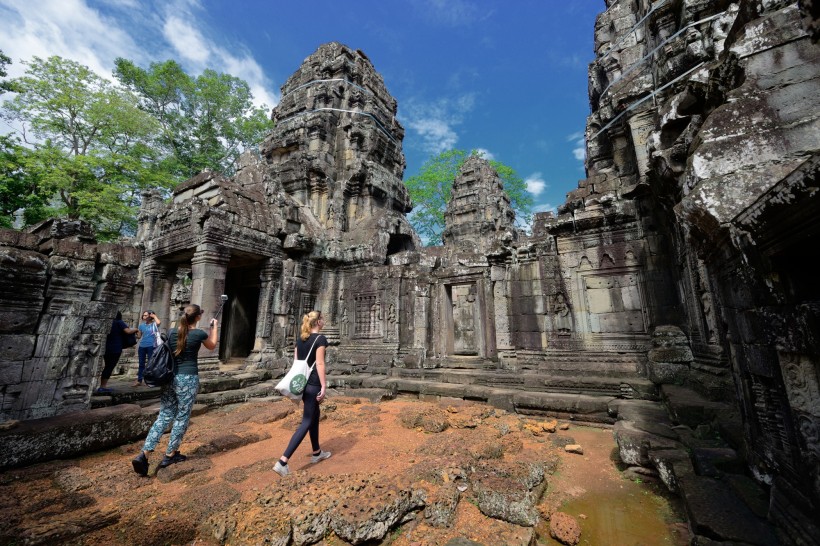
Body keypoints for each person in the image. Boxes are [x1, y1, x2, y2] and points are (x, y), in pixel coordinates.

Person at [131, 304, 217, 475]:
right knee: (182, 416)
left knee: (164, 415)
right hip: (188, 378)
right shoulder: (199, 333)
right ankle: (170, 454)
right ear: (198, 317)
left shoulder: (171, 332)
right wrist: (214, 328)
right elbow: (212, 345)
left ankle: (144, 453)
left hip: (169, 378)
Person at [274, 310, 331, 477]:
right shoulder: (320, 339)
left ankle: (316, 452)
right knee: (306, 420)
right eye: (322, 318)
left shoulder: (301, 339)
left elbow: (296, 363)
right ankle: (282, 461)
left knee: (314, 415)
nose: (324, 321)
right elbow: (320, 364)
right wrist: (323, 385)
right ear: (318, 322)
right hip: (313, 383)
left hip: (302, 382)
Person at [97, 312, 138, 394]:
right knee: (109, 367)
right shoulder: (119, 322)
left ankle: (101, 385)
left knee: (107, 366)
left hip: (106, 347)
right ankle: (102, 386)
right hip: (115, 348)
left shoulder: (107, 322)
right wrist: (136, 329)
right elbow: (128, 331)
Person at [135, 309, 161, 386]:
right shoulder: (141, 325)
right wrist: (136, 332)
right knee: (141, 364)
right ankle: (139, 380)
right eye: (143, 315)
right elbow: (139, 336)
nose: (144, 316)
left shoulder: (154, 324)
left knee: (151, 364)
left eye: (146, 315)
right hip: (142, 346)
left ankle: (150, 380)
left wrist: (154, 316)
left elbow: (159, 322)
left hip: (151, 346)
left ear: (150, 316)